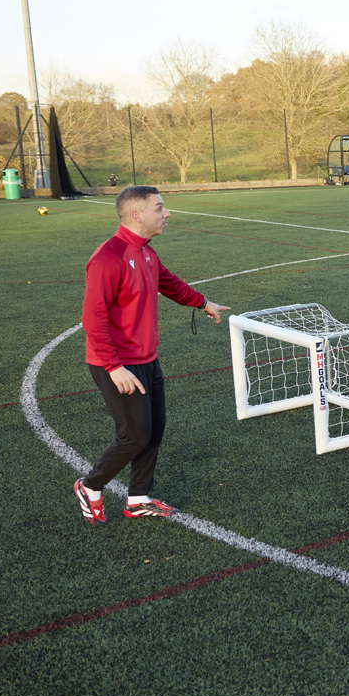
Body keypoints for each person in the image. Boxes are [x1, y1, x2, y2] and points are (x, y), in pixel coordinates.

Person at [74, 186, 229, 525]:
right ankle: (90, 486)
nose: (167, 213)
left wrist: (203, 303)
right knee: (134, 435)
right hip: (116, 363)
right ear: (137, 215)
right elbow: (93, 318)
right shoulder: (109, 257)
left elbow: (169, 283)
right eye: (159, 208)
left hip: (146, 358)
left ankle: (138, 498)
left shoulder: (146, 252)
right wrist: (114, 367)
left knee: (154, 428)